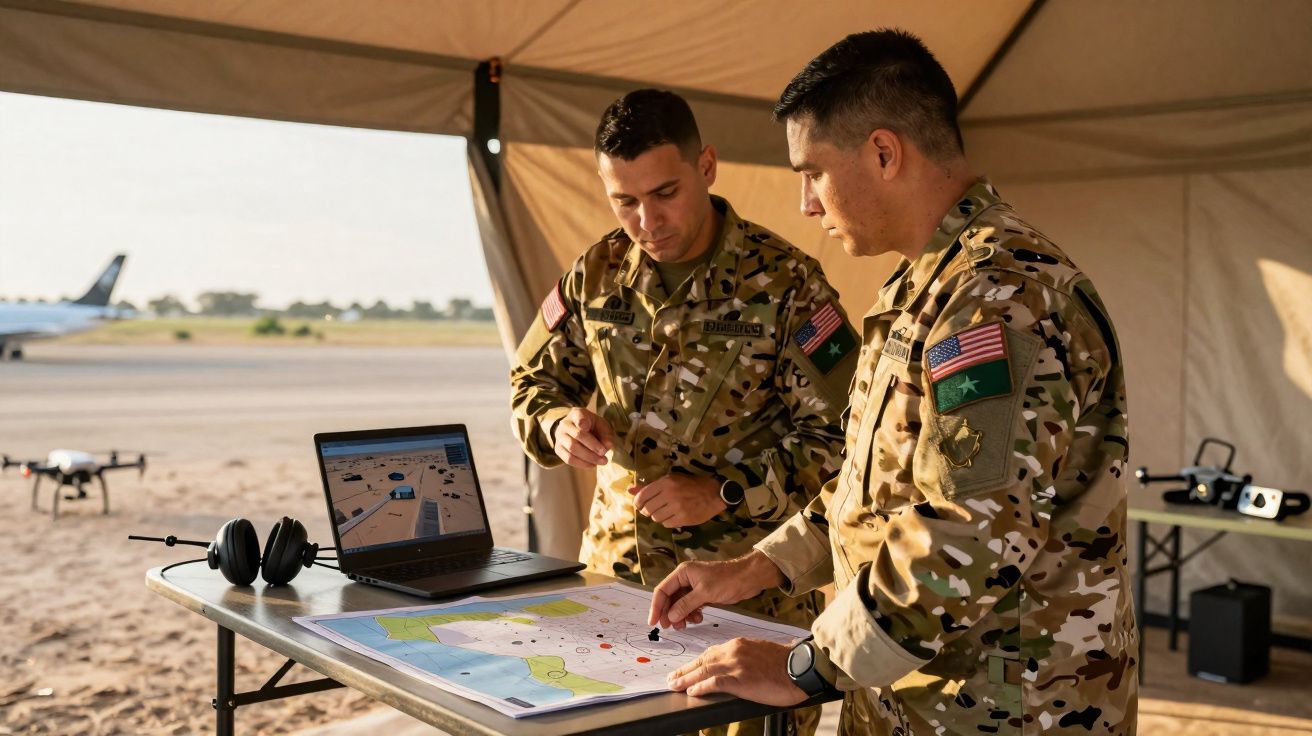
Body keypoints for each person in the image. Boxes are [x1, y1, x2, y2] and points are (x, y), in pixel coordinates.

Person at [649, 30, 1138, 735]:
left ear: (883, 152)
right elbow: (872, 491)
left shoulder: (1000, 298)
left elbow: (968, 529)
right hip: (916, 701)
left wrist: (805, 666)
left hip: (1004, 711)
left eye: (813, 173)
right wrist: (757, 567)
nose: (806, 204)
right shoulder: (926, 288)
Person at [509, 88, 857, 736]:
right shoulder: (596, 273)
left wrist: (725, 491)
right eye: (625, 201)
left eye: (665, 193)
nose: (647, 221)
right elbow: (532, 382)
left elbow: (844, 440)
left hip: (746, 603)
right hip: (616, 591)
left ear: (707, 167)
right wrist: (556, 424)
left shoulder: (787, 284)